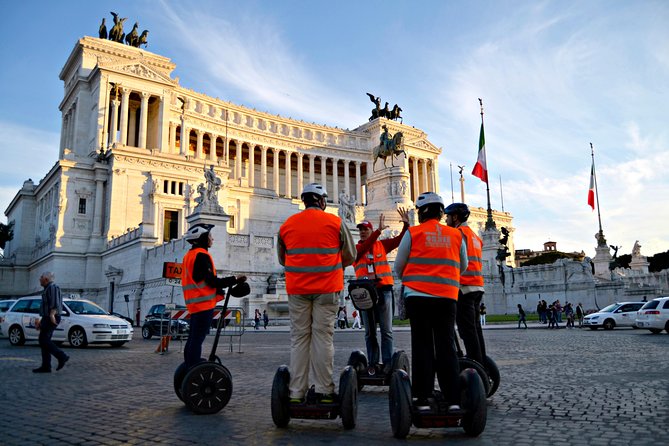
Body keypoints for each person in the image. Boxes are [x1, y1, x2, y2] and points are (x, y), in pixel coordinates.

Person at [277, 183, 356, 404]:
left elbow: (282, 259)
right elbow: (350, 255)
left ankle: (296, 393)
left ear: (304, 201)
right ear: (322, 201)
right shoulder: (335, 222)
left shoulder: (287, 225)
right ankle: (324, 390)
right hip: (327, 288)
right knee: (323, 338)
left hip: (298, 289)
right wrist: (334, 266)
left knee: (299, 339)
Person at [394, 192, 468, 411]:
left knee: (422, 345)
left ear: (422, 212)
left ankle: (422, 398)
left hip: (418, 297)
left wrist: (412, 277)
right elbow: (462, 266)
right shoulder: (456, 236)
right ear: (440, 211)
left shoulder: (414, 233)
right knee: (446, 346)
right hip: (447, 297)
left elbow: (399, 265)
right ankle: (453, 399)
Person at [353, 207, 410, 374]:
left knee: (386, 331)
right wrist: (377, 231)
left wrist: (406, 225)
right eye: (361, 230)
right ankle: (372, 363)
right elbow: (364, 248)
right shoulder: (356, 249)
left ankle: (386, 363)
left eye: (366, 229)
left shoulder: (381, 245)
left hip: (383, 290)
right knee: (370, 332)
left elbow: (399, 240)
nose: (363, 232)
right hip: (364, 293)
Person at [181, 223, 246, 369]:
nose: (212, 239)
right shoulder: (202, 256)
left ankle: (190, 364)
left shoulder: (189, 256)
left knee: (192, 337)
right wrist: (234, 279)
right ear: (202, 238)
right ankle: (193, 366)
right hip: (203, 304)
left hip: (194, 304)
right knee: (197, 338)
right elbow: (212, 281)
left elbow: (200, 279)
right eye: (209, 236)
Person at [445, 202, 487, 365]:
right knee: (476, 328)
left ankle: (475, 363)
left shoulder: (457, 234)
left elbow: (453, 260)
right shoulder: (475, 236)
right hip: (477, 285)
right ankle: (481, 361)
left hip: (464, 286)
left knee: (467, 331)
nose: (446, 219)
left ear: (455, 217)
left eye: (448, 216)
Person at [33, 272, 69, 373]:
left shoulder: (52, 287)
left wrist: (52, 315)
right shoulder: (47, 288)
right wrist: (42, 320)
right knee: (44, 340)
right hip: (47, 317)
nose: (39, 279)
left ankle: (61, 356)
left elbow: (55, 302)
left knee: (44, 340)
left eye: (41, 277)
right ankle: (46, 366)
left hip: (51, 317)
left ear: (46, 279)